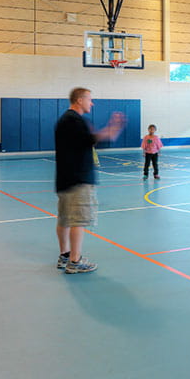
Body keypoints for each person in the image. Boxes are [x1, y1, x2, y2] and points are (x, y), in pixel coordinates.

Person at [54, 87, 125, 274]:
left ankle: (65, 255)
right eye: (89, 99)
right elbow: (93, 138)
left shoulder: (65, 120)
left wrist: (110, 130)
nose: (91, 103)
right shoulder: (75, 120)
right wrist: (113, 127)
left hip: (65, 178)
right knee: (78, 220)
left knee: (64, 219)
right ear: (79, 100)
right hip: (79, 179)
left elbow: (87, 141)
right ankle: (75, 261)